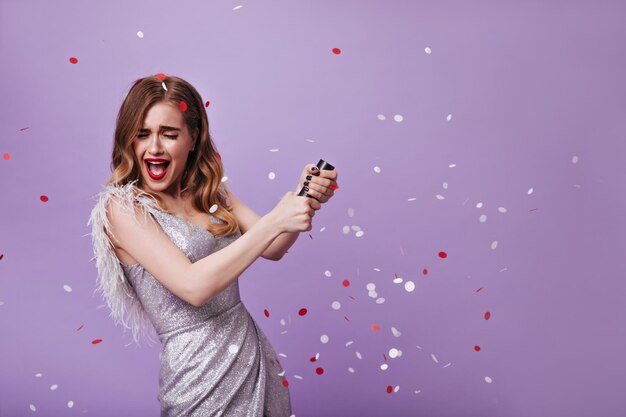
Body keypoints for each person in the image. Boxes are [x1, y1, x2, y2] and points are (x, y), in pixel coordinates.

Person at [87, 74, 338, 417]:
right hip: (198, 378)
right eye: (142, 134)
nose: (154, 147)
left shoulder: (209, 191)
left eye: (169, 134)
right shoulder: (123, 208)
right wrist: (278, 219)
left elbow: (274, 246)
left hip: (252, 360)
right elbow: (194, 286)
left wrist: (303, 198)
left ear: (193, 138)